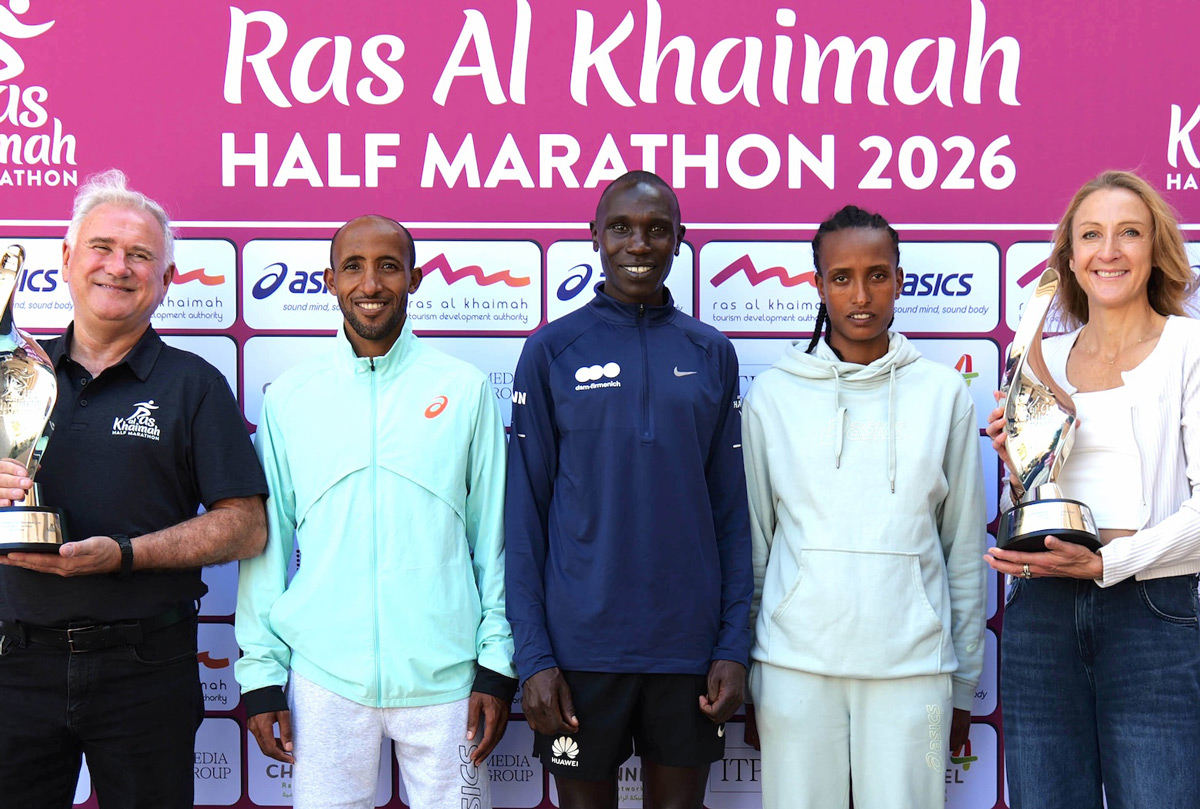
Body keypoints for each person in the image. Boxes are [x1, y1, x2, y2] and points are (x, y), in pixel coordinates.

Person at [0, 169, 268, 808]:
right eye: (101, 247)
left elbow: (246, 525)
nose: (118, 267)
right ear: (66, 258)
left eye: (140, 255)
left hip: (146, 667)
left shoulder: (194, 385)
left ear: (166, 279)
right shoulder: (11, 373)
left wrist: (125, 554)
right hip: (14, 663)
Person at [235, 215, 516, 809]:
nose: (371, 284)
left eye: (388, 267)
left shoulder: (464, 390)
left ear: (414, 279)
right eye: (353, 267)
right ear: (330, 281)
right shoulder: (289, 398)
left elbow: (495, 541)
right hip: (324, 679)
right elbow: (266, 548)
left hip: (449, 678)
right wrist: (261, 676)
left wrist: (496, 664)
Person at [505, 171, 752, 809]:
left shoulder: (711, 352)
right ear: (595, 236)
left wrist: (732, 646)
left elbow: (731, 514)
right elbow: (524, 519)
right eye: (620, 228)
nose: (638, 244)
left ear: (679, 239)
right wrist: (534, 658)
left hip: (689, 653)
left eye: (656, 229)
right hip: (579, 654)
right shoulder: (551, 350)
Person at [741, 205, 986, 809]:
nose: (860, 295)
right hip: (793, 667)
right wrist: (750, 674)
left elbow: (962, 549)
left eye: (877, 275)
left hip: (915, 671)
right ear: (817, 284)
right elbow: (755, 546)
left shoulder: (943, 394)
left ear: (899, 281)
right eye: (841, 277)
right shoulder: (773, 395)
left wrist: (962, 684)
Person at [985, 170, 1200, 809]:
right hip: (1042, 609)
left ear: (1155, 250)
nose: (1109, 251)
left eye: (1129, 233)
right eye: (1091, 235)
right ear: (1070, 258)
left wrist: (1108, 563)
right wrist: (1020, 465)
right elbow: (1032, 504)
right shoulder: (1040, 356)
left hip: (1154, 613)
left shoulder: (1189, 349)